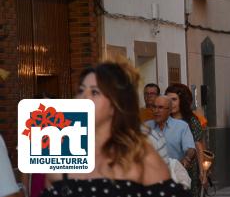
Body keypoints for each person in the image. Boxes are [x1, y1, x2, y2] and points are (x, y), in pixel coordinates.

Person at [42, 61, 188, 197]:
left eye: (94, 92)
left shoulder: (140, 154)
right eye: (81, 91)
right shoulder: (63, 154)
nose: (83, 98)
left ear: (115, 104)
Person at [166, 84, 205, 197]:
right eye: (168, 100)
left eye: (174, 99)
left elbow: (198, 146)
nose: (170, 103)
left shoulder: (192, 121)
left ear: (182, 101)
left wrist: (202, 172)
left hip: (187, 169)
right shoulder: (163, 120)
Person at [146, 96, 196, 166]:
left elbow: (191, 149)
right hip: (152, 172)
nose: (156, 111)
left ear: (169, 110)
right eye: (154, 107)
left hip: (174, 172)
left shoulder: (181, 126)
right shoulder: (146, 126)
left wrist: (186, 159)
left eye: (160, 107)